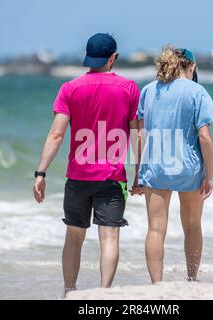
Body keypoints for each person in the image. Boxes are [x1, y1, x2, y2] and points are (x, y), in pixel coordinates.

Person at [33, 33, 140, 294]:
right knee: (110, 236)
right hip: (112, 178)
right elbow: (137, 135)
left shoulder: (69, 88)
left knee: (73, 237)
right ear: (113, 57)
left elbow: (56, 134)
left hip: (78, 177)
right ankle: (104, 294)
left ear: (88, 56)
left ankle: (70, 292)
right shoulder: (129, 89)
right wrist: (139, 174)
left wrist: (41, 172)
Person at [132, 46, 213, 283]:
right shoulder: (198, 92)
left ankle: (157, 285)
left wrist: (138, 172)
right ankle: (191, 278)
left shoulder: (148, 91)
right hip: (188, 168)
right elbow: (205, 137)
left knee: (156, 229)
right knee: (192, 226)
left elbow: (139, 135)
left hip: (156, 167)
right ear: (190, 67)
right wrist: (209, 176)